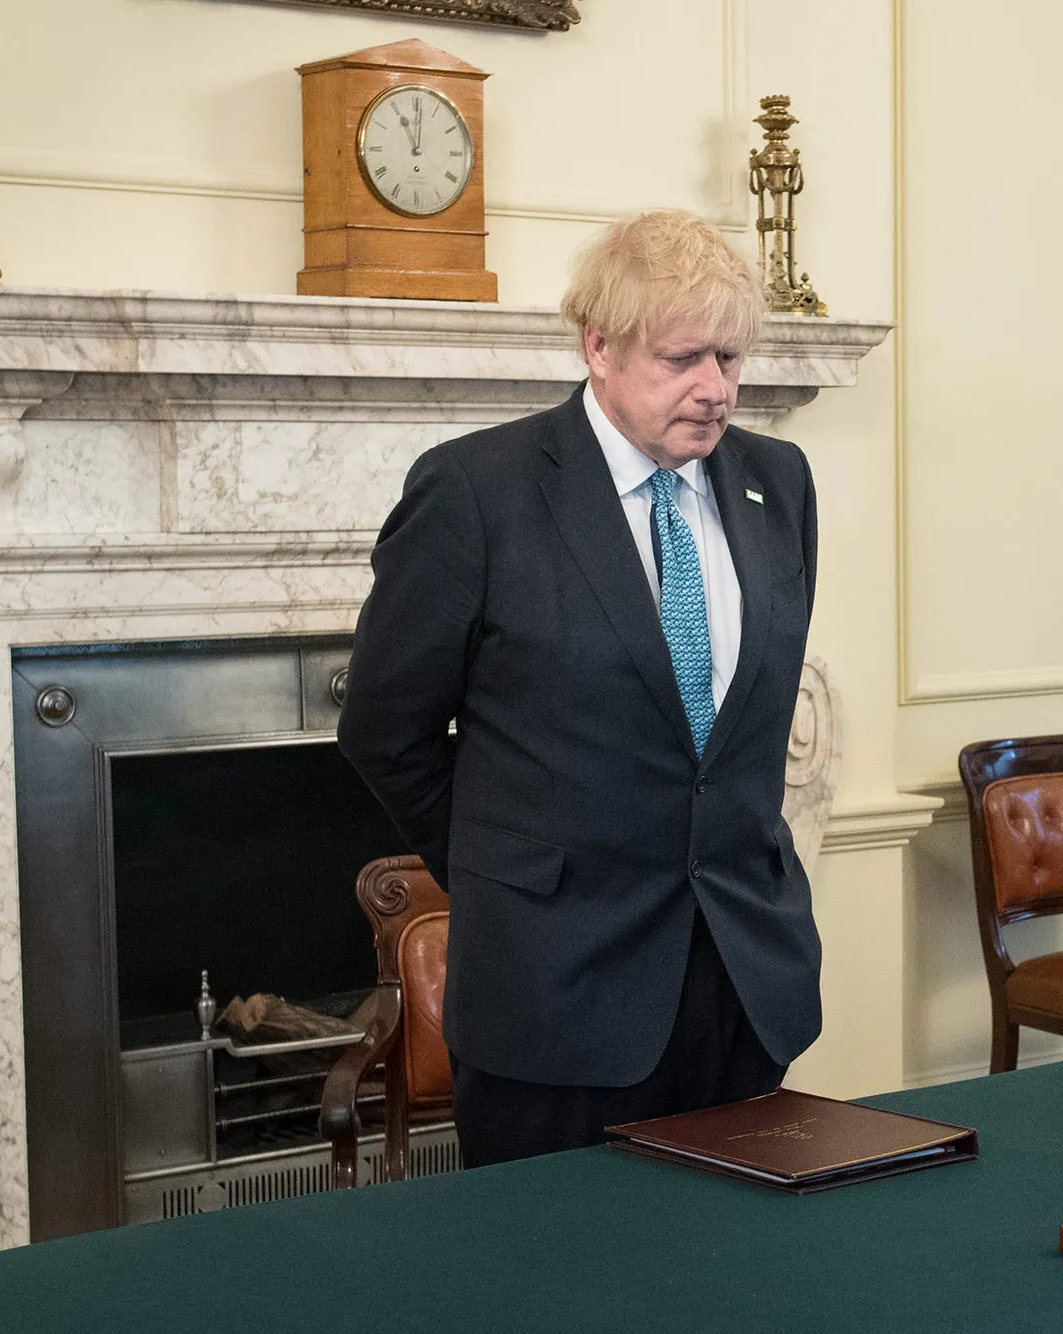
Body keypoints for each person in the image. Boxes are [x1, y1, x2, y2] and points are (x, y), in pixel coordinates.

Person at [336, 208, 822, 1166]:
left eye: (730, 360)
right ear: (598, 347)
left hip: (739, 983)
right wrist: (514, 867)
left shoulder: (781, 483)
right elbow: (382, 729)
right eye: (683, 359)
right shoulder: (477, 492)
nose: (714, 390)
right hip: (555, 998)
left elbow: (738, 732)